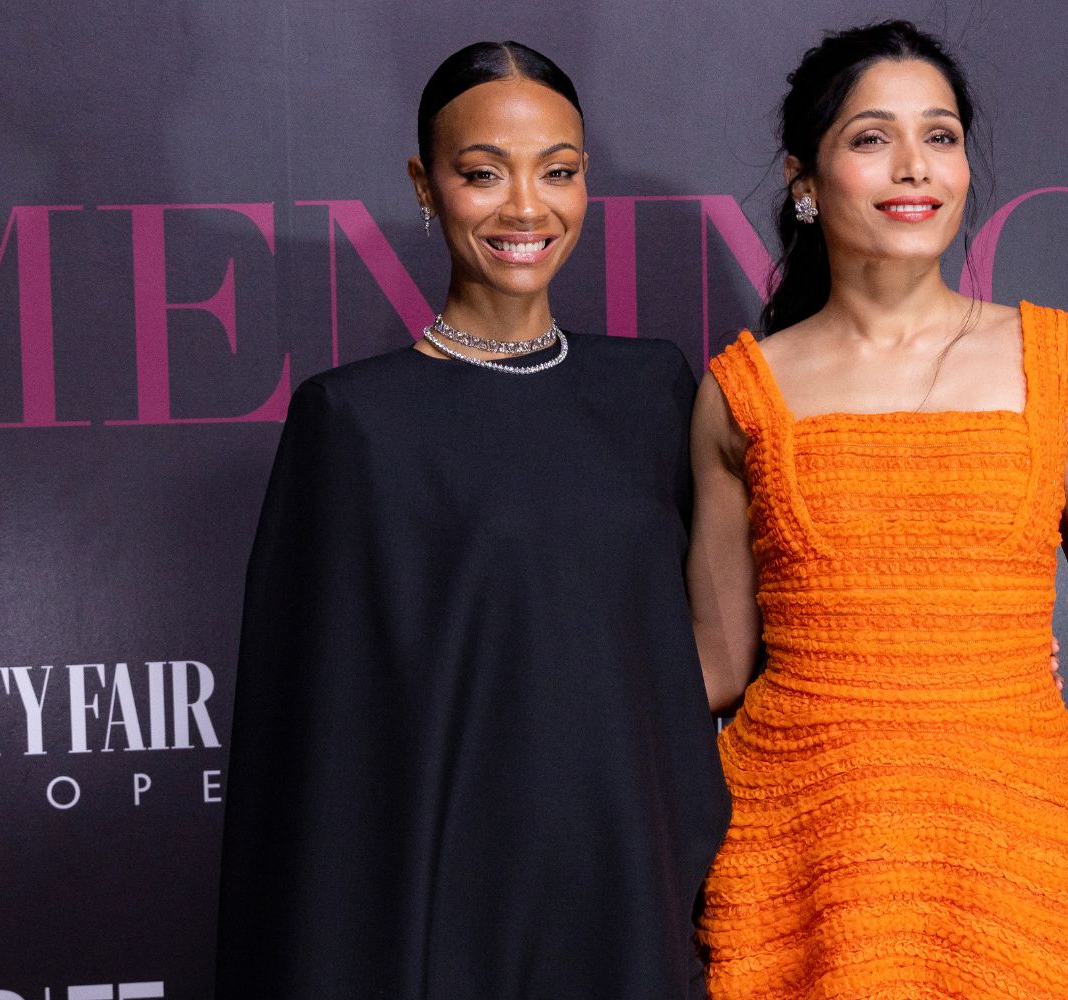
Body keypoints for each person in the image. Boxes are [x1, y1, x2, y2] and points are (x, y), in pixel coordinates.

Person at [216, 41, 729, 1000]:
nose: (526, 207)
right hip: (448, 908)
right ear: (425, 184)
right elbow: (317, 748)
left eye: (560, 172)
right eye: (483, 172)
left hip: (630, 886)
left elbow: (703, 655)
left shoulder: (653, 388)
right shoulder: (354, 422)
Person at [687, 20, 1068, 998]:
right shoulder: (743, 390)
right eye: (871, 138)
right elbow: (716, 665)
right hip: (806, 855)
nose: (915, 168)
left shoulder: (1058, 363)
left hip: (1018, 845)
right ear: (803, 180)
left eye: (940, 136)